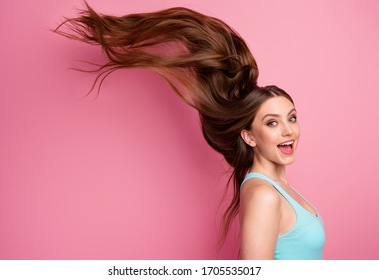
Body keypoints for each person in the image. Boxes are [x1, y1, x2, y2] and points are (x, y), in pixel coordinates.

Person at [55, 3, 325, 260]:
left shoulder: (278, 190)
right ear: (249, 136)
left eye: (291, 118)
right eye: (272, 123)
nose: (288, 130)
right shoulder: (264, 194)